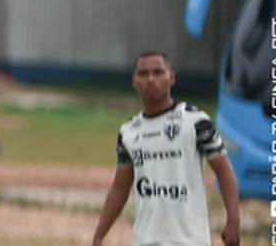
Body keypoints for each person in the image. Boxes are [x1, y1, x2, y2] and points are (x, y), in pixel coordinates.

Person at [91, 51, 240, 246]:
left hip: (190, 241)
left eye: (158, 72)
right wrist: (99, 235)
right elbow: (120, 187)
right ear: (134, 81)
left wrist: (233, 220)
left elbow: (224, 170)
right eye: (143, 74)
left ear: (171, 78)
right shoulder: (128, 132)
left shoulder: (196, 122)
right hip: (146, 241)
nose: (150, 79)